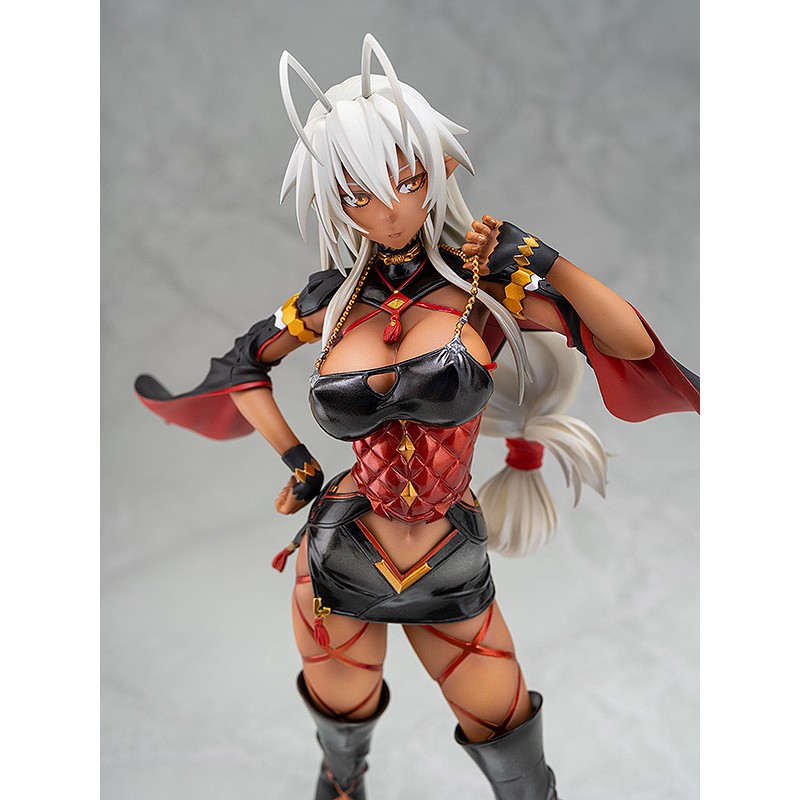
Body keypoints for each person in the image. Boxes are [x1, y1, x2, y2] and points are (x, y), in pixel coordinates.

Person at [135, 34, 699, 800]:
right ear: (332, 200)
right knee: (341, 755)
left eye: (408, 180)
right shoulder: (329, 305)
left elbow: (626, 342)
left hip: (448, 554)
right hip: (340, 548)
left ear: (439, 171)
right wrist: (298, 462)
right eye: (360, 194)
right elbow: (243, 366)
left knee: (512, 748)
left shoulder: (482, 292)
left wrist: (547, 261)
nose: (391, 208)